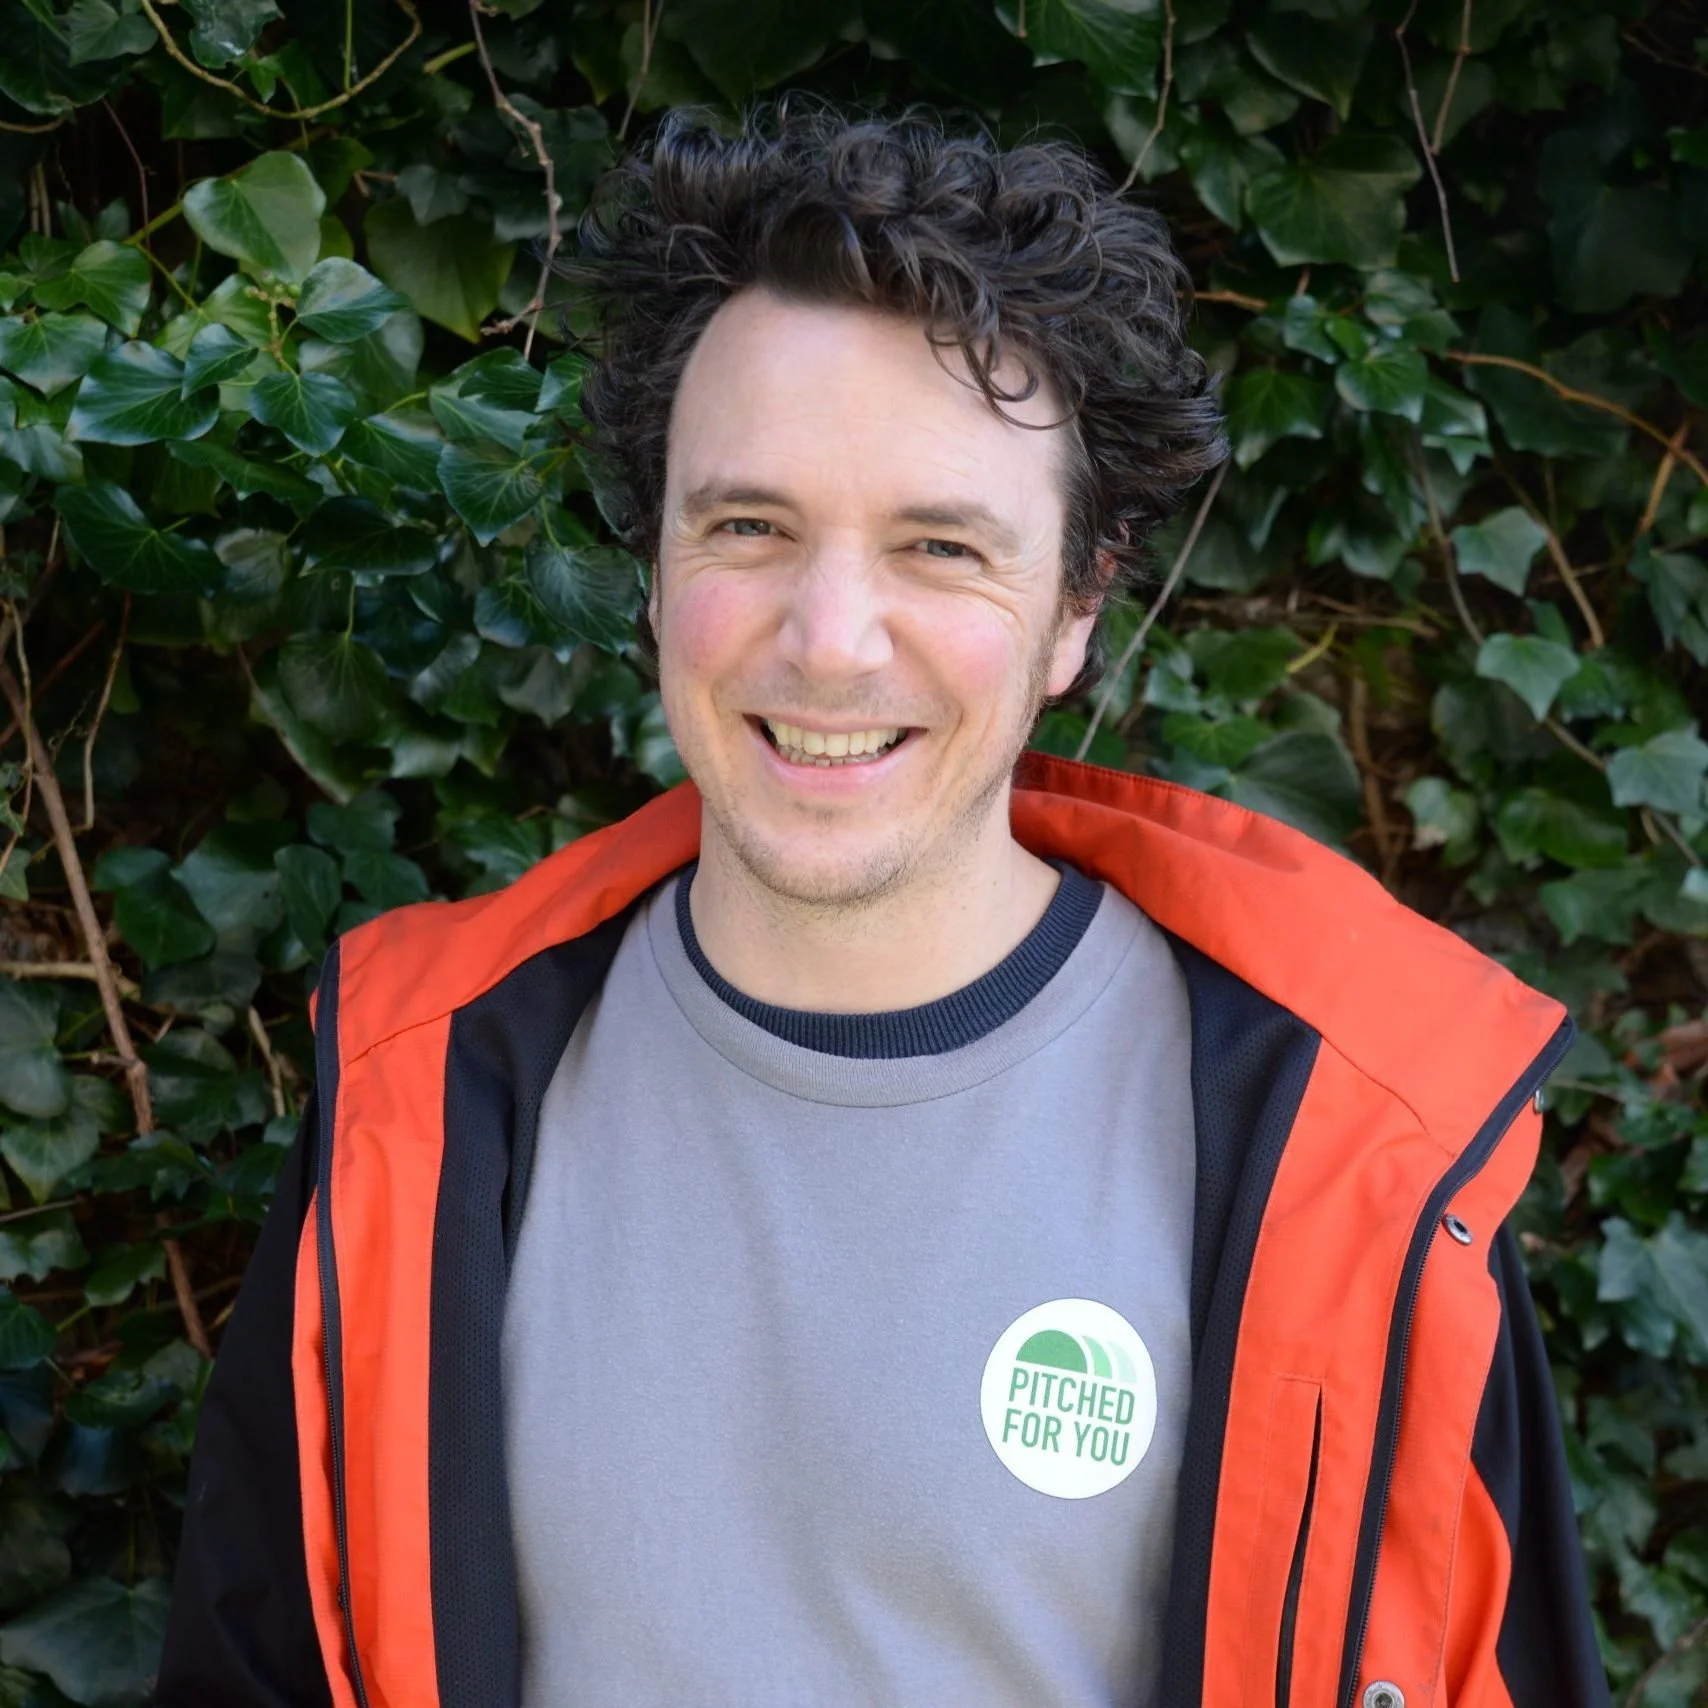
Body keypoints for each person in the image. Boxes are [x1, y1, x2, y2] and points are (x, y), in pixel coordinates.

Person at [156, 102, 1610, 1708]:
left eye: (938, 547)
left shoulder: (1356, 1156)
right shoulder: (413, 1115)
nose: (832, 638)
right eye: (752, 526)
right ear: (651, 562)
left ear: (1076, 608)